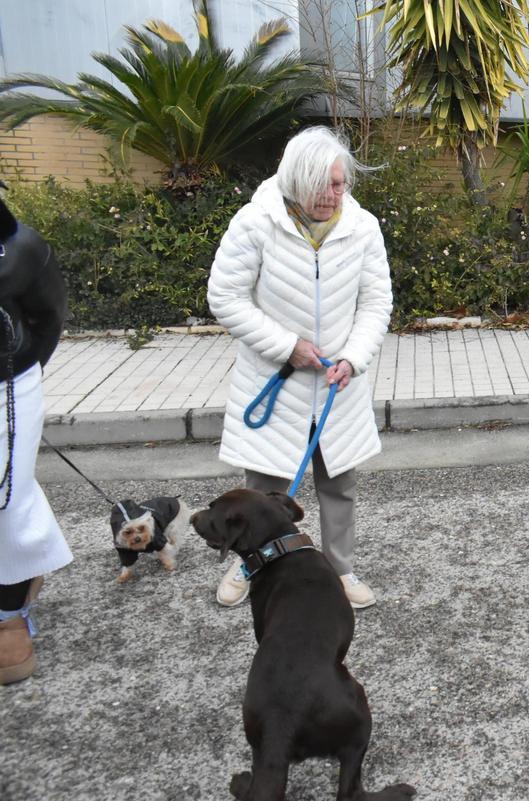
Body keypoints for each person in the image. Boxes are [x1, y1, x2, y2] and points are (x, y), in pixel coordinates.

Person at [208, 126, 392, 610]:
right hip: (275, 380)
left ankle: (340, 569)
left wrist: (353, 356)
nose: (335, 195)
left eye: (341, 184)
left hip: (338, 385)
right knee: (263, 487)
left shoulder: (363, 227)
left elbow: (376, 302)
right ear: (296, 180)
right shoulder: (254, 223)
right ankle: (250, 564)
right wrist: (287, 346)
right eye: (325, 185)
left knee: (339, 487)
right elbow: (224, 296)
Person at [0, 183, 72, 685]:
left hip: (7, 383)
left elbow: (48, 318)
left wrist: (18, 374)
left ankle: (8, 613)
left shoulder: (21, 247)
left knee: (6, 496)